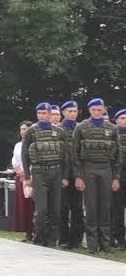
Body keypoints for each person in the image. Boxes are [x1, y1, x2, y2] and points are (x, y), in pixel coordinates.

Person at [72, 98, 121, 254]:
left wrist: (116, 177)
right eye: (93, 109)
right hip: (88, 169)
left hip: (106, 169)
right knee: (91, 207)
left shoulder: (112, 128)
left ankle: (105, 244)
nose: (96, 112)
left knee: (106, 207)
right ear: (89, 110)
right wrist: (78, 176)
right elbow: (75, 154)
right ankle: (92, 244)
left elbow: (118, 155)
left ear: (104, 110)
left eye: (99, 109)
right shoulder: (81, 127)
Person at [23, 103, 70, 248]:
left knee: (55, 209)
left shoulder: (59, 131)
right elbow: (24, 155)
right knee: (42, 210)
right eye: (39, 113)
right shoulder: (31, 131)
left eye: (44, 113)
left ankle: (52, 240)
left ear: (50, 114)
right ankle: (39, 239)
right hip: (39, 172)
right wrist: (27, 176)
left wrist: (64, 176)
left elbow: (65, 156)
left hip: (56, 172)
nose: (42, 116)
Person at [58, 100, 84, 248]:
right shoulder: (58, 129)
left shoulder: (81, 128)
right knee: (63, 207)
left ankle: (77, 240)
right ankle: (63, 239)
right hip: (63, 174)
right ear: (64, 113)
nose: (73, 114)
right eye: (70, 111)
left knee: (78, 207)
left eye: (75, 111)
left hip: (78, 173)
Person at [114, 109, 126, 249]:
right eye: (122, 118)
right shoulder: (112, 133)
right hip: (118, 176)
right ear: (116, 120)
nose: (125, 120)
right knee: (117, 210)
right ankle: (119, 240)